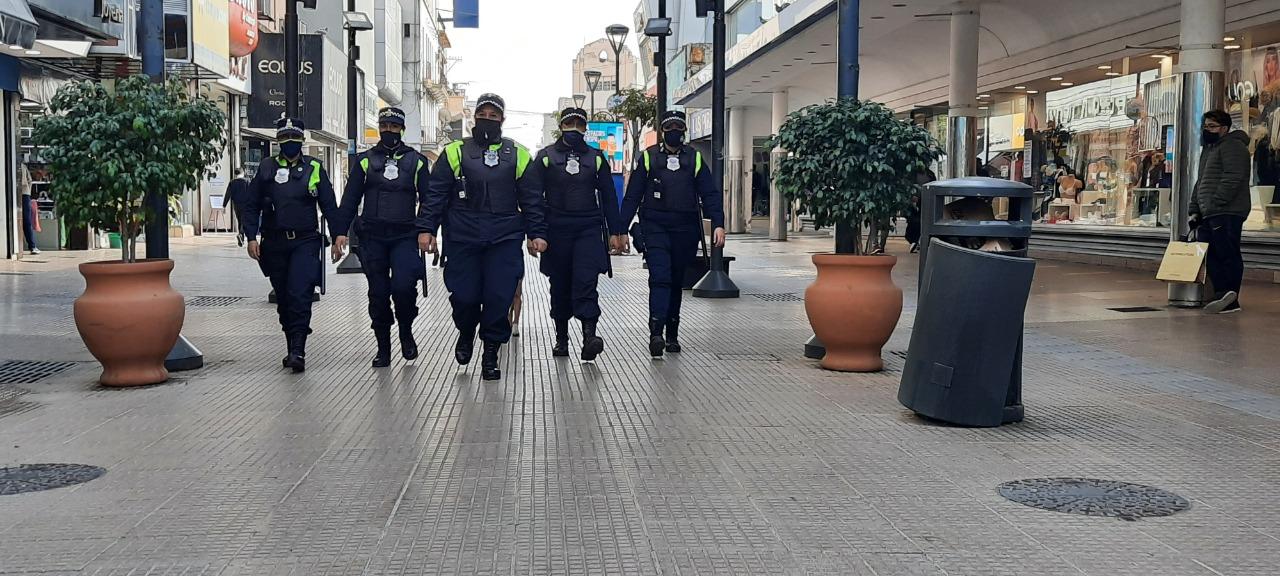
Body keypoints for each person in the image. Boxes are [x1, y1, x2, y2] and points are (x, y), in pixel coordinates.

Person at [419, 93, 548, 381]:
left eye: (494, 115)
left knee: (498, 297)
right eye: (483, 114)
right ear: (475, 117)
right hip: (464, 238)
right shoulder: (454, 152)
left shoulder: (518, 154)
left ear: (502, 119)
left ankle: (491, 353)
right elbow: (436, 195)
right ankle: (466, 332)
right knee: (464, 297)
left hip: (503, 239)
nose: (488, 119)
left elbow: (532, 199)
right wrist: (426, 229)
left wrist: (536, 233)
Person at [618, 110, 725, 358]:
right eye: (669, 128)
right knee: (660, 278)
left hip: (685, 229)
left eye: (678, 127)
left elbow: (709, 194)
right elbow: (633, 195)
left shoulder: (694, 159)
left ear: (684, 131)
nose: (674, 132)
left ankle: (672, 334)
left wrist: (718, 223)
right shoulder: (649, 158)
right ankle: (656, 332)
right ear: (662, 131)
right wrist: (621, 229)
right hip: (655, 226)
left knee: (676, 281)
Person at [332, 107, 431, 368]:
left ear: (402, 129)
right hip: (373, 237)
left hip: (405, 236)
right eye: (384, 126)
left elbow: (429, 200)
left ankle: (406, 331)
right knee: (378, 293)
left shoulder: (417, 161)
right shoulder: (365, 161)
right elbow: (350, 199)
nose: (388, 131)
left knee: (403, 288)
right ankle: (383, 348)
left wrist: (426, 229)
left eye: (394, 127)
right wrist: (340, 233)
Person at [242, 117, 341, 372]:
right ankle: (290, 345)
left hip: (305, 241)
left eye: (294, 137)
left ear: (302, 139)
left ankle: (299, 350)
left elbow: (329, 205)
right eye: (284, 137)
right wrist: (251, 236)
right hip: (274, 243)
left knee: (300, 294)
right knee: (284, 299)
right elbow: (251, 205)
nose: (289, 142)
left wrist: (339, 234)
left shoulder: (314, 168)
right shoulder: (266, 168)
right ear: (277, 140)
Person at [532, 107, 621, 361]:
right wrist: (535, 231)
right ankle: (562, 337)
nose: (574, 128)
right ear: (561, 126)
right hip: (556, 230)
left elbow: (608, 196)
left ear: (585, 129)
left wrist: (617, 231)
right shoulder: (545, 156)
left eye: (579, 124)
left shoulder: (596, 157)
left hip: (588, 228)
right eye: (569, 123)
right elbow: (533, 197)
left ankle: (589, 336)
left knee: (586, 283)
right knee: (559, 286)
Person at [1190, 110, 1252, 314]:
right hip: (1210, 211)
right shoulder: (1209, 149)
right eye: (1205, 126)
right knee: (1211, 254)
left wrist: (1217, 201)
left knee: (1227, 253)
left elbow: (1233, 177)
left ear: (1224, 128)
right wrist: (1194, 208)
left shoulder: (1233, 146)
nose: (1207, 130)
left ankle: (1230, 297)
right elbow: (1201, 182)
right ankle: (1223, 295)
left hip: (1227, 211)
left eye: (1212, 126)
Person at [226, 168, 250, 245]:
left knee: (240, 221)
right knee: (245, 221)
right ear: (243, 173)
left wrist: (224, 205)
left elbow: (228, 194)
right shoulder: (246, 181)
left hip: (236, 205)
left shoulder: (232, 182)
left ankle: (241, 239)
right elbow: (251, 193)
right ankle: (241, 234)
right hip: (246, 204)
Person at [19, 162, 38, 254]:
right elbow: (29, 180)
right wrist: (27, 190)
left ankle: (31, 245)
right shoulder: (22, 166)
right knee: (27, 221)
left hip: (15, 193)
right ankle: (32, 246)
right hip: (25, 193)